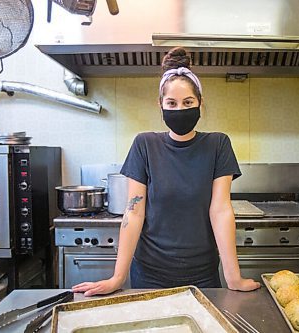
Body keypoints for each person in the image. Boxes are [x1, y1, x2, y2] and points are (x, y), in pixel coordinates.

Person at [72, 47, 261, 296]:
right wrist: (117, 277)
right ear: (160, 105)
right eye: (171, 103)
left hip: (203, 275)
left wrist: (232, 277)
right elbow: (134, 211)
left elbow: (221, 210)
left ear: (200, 104)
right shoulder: (145, 145)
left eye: (188, 102)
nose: (179, 109)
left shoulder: (218, 144)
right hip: (149, 274)